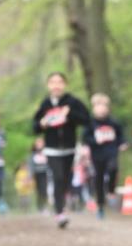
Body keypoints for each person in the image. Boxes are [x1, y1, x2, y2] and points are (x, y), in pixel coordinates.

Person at [32, 72, 90, 228]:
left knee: (65, 179)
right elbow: (35, 127)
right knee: (57, 177)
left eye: (59, 82)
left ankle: (61, 204)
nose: (56, 85)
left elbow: (86, 119)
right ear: (48, 85)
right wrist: (42, 123)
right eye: (53, 82)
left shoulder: (72, 102)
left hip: (69, 148)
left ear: (65, 84)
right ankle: (60, 212)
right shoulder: (45, 104)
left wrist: (69, 114)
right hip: (51, 149)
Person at [83, 93, 127, 218]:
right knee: (98, 178)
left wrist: (122, 143)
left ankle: (111, 191)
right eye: (98, 106)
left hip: (111, 151)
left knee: (113, 168)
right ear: (94, 107)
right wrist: (94, 141)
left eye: (104, 106)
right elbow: (85, 138)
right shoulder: (90, 123)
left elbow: (120, 135)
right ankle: (100, 205)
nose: (101, 108)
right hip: (97, 154)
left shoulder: (113, 122)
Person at [28, 137, 50, 212]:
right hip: (37, 174)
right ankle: (40, 206)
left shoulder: (47, 153)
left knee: (44, 190)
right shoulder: (32, 154)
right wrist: (30, 176)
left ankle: (45, 206)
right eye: (38, 143)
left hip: (45, 174)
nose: (39, 145)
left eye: (41, 143)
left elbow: (50, 164)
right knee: (38, 191)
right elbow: (31, 165)